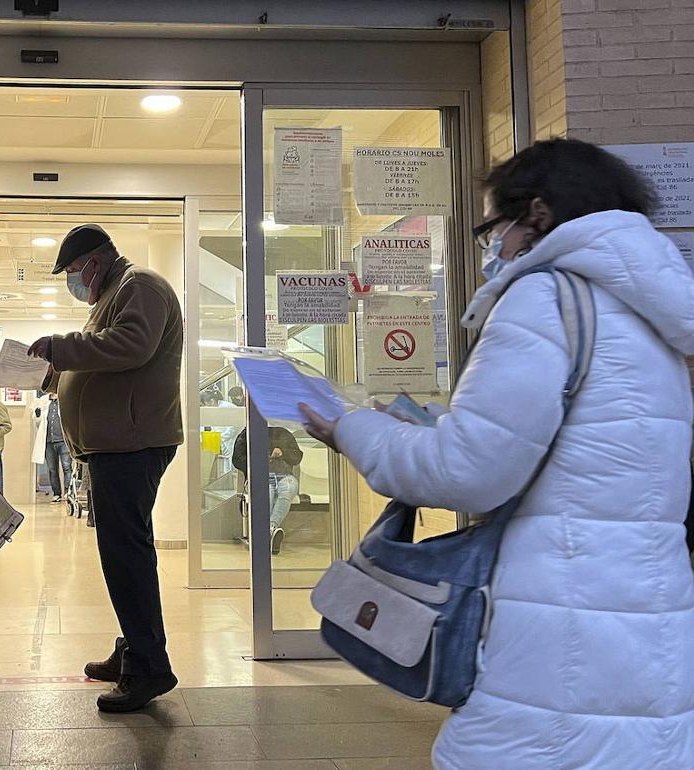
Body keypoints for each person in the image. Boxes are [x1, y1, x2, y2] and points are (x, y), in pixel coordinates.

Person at [300, 138, 694, 769]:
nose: (491, 247)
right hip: (645, 617)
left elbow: (469, 472)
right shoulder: (649, 316)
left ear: (535, 215)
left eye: (492, 227)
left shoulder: (545, 298)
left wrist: (353, 431)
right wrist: (433, 426)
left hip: (557, 627)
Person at [29, 223, 183, 712]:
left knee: (127, 556)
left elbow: (132, 346)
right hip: (116, 445)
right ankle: (133, 649)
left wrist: (62, 347)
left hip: (133, 445)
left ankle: (150, 669)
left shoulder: (141, 285)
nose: (72, 281)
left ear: (94, 261)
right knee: (122, 554)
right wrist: (58, 378)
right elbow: (107, 366)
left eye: (73, 271)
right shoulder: (115, 291)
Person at [230, 425, 303, 553]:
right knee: (266, 496)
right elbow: (237, 459)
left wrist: (283, 452)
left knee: (288, 489)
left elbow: (297, 457)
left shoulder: (284, 432)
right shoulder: (248, 433)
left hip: (285, 476)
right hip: (260, 475)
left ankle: (268, 530)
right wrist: (259, 460)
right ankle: (271, 531)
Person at [40, 393, 73, 502]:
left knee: (67, 467)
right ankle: (56, 493)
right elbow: (39, 422)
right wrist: (37, 416)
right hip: (49, 441)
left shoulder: (65, 399)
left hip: (63, 441)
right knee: (52, 469)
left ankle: (68, 493)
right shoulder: (44, 402)